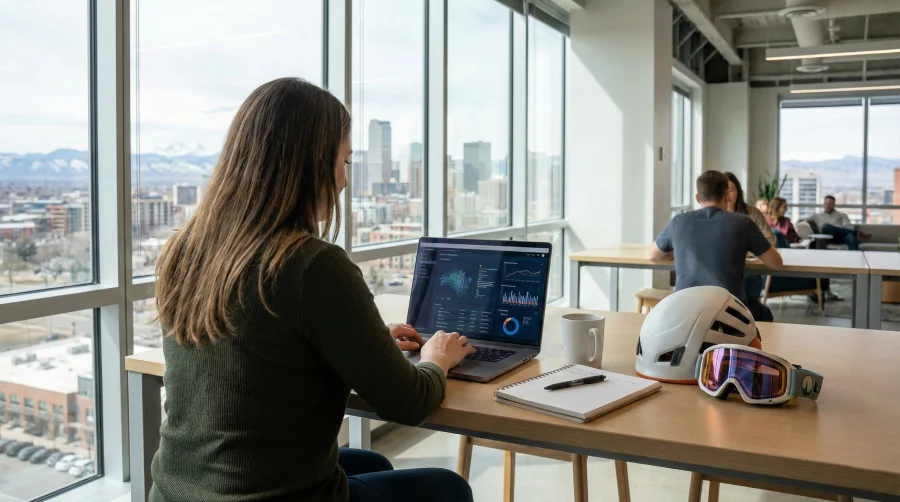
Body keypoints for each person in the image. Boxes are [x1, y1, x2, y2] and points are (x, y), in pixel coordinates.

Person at [150, 78, 475, 502]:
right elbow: (408, 404)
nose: (343, 181)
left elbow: (265, 350)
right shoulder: (312, 265)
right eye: (344, 161)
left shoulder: (184, 249)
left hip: (178, 492)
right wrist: (436, 360)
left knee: (369, 463)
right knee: (446, 489)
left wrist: (363, 341)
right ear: (311, 165)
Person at [651, 170, 783, 322]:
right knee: (763, 314)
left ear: (697, 197)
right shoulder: (743, 223)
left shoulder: (678, 221)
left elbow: (653, 255)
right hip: (728, 314)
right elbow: (776, 263)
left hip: (684, 313)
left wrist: (681, 250)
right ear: (727, 196)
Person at [724, 172, 775, 302]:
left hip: (749, 269)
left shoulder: (752, 214)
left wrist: (750, 250)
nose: (727, 195)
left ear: (738, 191)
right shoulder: (713, 215)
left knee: (746, 289)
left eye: (731, 190)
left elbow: (771, 240)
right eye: (723, 190)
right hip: (722, 271)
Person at [806, 195, 871, 251]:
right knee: (825, 227)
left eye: (830, 204)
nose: (827, 206)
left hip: (840, 237)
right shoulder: (817, 216)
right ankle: (858, 233)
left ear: (834, 204)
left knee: (850, 236)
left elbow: (849, 227)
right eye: (825, 204)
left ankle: (854, 261)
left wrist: (837, 230)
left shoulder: (842, 215)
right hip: (826, 239)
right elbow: (802, 221)